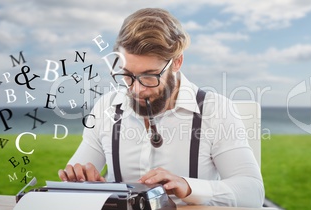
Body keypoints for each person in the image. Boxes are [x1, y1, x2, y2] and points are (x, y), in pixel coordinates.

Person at [58, 8, 264, 207]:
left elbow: (252, 192)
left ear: (177, 62)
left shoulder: (215, 110)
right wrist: (80, 182)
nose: (136, 89)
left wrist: (189, 187)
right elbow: (75, 179)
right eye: (128, 75)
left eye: (149, 76)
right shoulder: (107, 108)